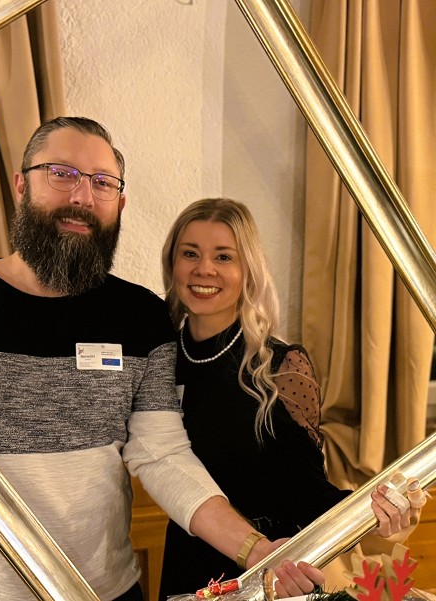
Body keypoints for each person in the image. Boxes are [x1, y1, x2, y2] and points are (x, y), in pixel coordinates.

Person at [0, 118, 324, 601]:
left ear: (119, 204)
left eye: (102, 182)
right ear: (21, 185)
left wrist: (257, 551)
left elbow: (163, 456)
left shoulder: (140, 317)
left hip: (105, 590)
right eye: (62, 174)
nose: (82, 196)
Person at [157, 198, 424, 600]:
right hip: (186, 563)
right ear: (172, 263)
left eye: (224, 256)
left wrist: (371, 512)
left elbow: (308, 490)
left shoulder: (281, 367)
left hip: (275, 569)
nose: (204, 269)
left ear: (248, 270)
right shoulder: (157, 361)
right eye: (190, 253)